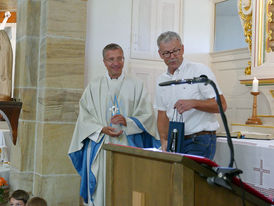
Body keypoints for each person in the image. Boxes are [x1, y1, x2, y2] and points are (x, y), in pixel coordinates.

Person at [68, 43, 160, 206]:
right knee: (100, 188)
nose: (116, 63)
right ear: (104, 62)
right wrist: (101, 128)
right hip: (101, 145)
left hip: (127, 145)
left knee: (126, 186)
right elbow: (84, 116)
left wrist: (129, 121)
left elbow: (147, 115)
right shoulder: (94, 86)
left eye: (119, 58)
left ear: (124, 59)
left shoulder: (136, 85)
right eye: (111, 59)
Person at [154, 31, 227, 159]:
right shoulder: (161, 80)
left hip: (199, 139)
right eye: (166, 53)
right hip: (175, 140)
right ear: (160, 54)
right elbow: (162, 114)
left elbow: (221, 105)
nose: (172, 56)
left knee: (191, 179)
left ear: (182, 49)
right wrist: (164, 140)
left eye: (175, 51)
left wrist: (194, 103)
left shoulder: (199, 71)